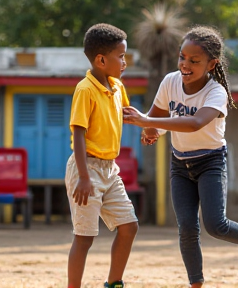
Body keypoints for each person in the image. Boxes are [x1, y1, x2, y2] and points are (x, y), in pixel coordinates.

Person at [123, 25, 238, 287]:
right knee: (186, 228)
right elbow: (156, 119)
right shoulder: (170, 81)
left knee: (216, 225)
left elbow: (196, 122)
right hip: (180, 164)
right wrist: (151, 131)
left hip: (210, 161)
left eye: (194, 61)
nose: (185, 64)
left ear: (211, 64)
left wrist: (146, 121)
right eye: (181, 57)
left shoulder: (216, 92)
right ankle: (196, 284)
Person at [65, 23, 138, 288]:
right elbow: (79, 134)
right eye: (121, 56)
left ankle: (113, 282)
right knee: (84, 237)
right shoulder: (85, 89)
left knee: (129, 226)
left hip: (110, 170)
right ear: (101, 59)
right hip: (87, 169)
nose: (124, 62)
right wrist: (84, 177)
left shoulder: (117, 86)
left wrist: (149, 127)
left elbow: (128, 114)